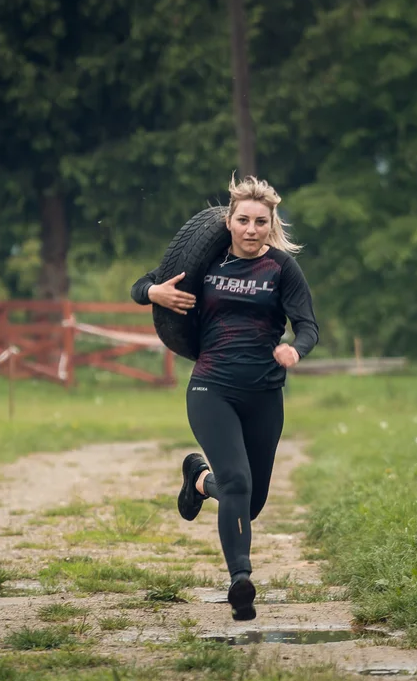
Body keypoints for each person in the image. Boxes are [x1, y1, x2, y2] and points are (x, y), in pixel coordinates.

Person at [130, 174, 319, 621]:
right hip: (211, 387)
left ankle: (197, 479)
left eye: (260, 222)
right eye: (243, 220)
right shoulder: (207, 260)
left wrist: (296, 348)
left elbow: (308, 324)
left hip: (264, 393)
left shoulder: (281, 268)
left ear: (271, 225)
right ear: (228, 221)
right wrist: (153, 292)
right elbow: (144, 285)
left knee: (250, 503)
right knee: (236, 482)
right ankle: (241, 581)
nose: (251, 230)